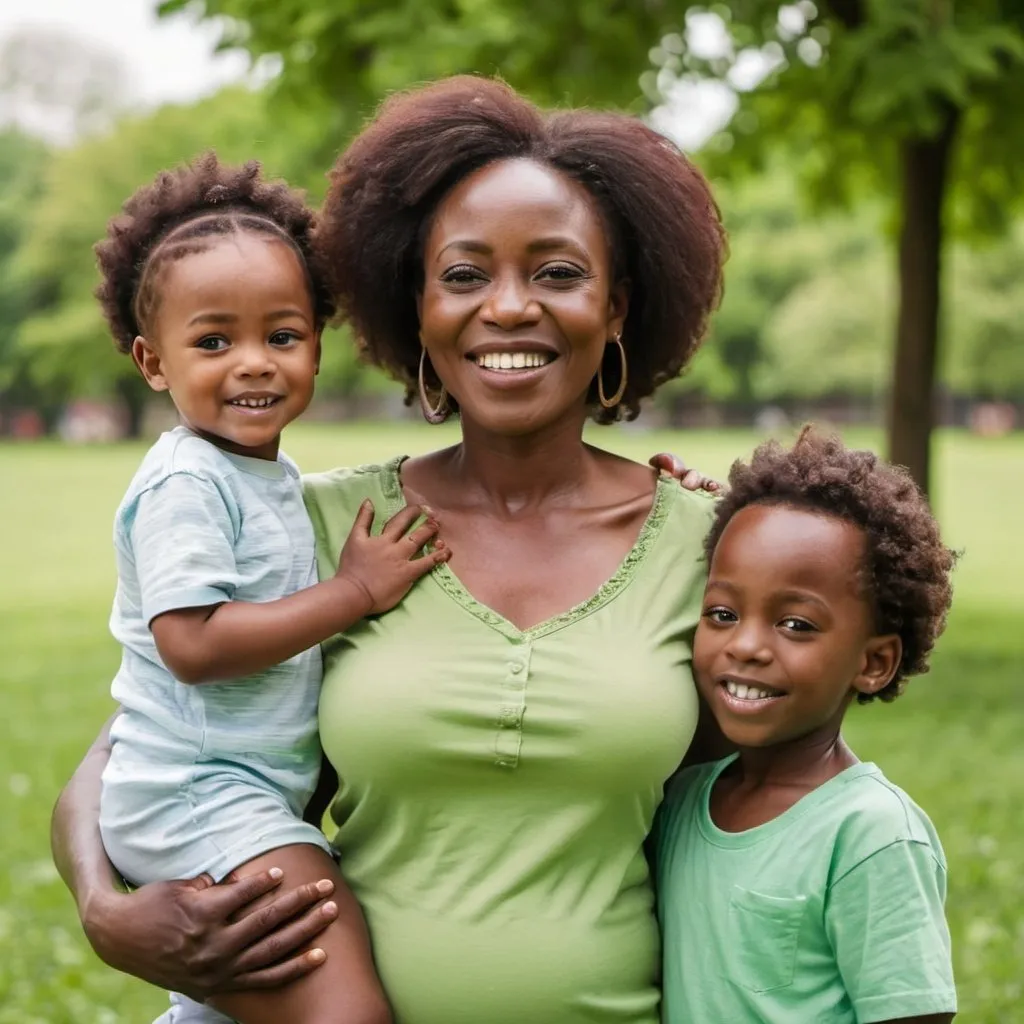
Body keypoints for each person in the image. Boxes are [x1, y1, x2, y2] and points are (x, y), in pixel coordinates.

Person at [52, 76, 726, 1024]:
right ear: (415, 308)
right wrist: (102, 910)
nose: (508, 308)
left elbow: (784, 785)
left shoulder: (706, 545)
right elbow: (136, 741)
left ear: (619, 305)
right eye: (463, 275)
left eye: (559, 272)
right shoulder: (326, 529)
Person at [89, 154, 453, 1024]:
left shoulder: (266, 475)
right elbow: (194, 644)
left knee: (239, 996)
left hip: (236, 791)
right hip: (197, 794)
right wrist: (355, 594)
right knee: (343, 1009)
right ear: (153, 361)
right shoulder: (188, 483)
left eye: (281, 337)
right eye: (213, 342)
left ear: (317, 348)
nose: (253, 364)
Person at [656, 428, 958, 1024]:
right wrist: (669, 520)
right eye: (722, 613)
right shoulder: (684, 797)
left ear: (873, 663)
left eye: (795, 625)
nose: (744, 645)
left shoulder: (871, 836)